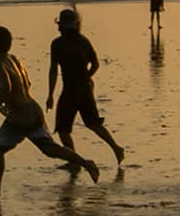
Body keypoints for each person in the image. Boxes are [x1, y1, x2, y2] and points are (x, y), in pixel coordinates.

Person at [0, 26, 99, 198]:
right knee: (50, 149)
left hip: (19, 116)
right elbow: (27, 82)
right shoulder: (14, 59)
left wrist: (0, 104)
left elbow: (6, 86)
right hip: (34, 110)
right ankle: (86, 163)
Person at [47, 9, 125, 166]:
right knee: (93, 123)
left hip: (69, 91)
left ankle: (73, 161)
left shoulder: (57, 44)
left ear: (62, 26)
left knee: (63, 129)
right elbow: (95, 64)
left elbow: (54, 70)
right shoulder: (84, 41)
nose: (58, 28)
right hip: (85, 89)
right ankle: (116, 148)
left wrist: (50, 95)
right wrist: (87, 77)